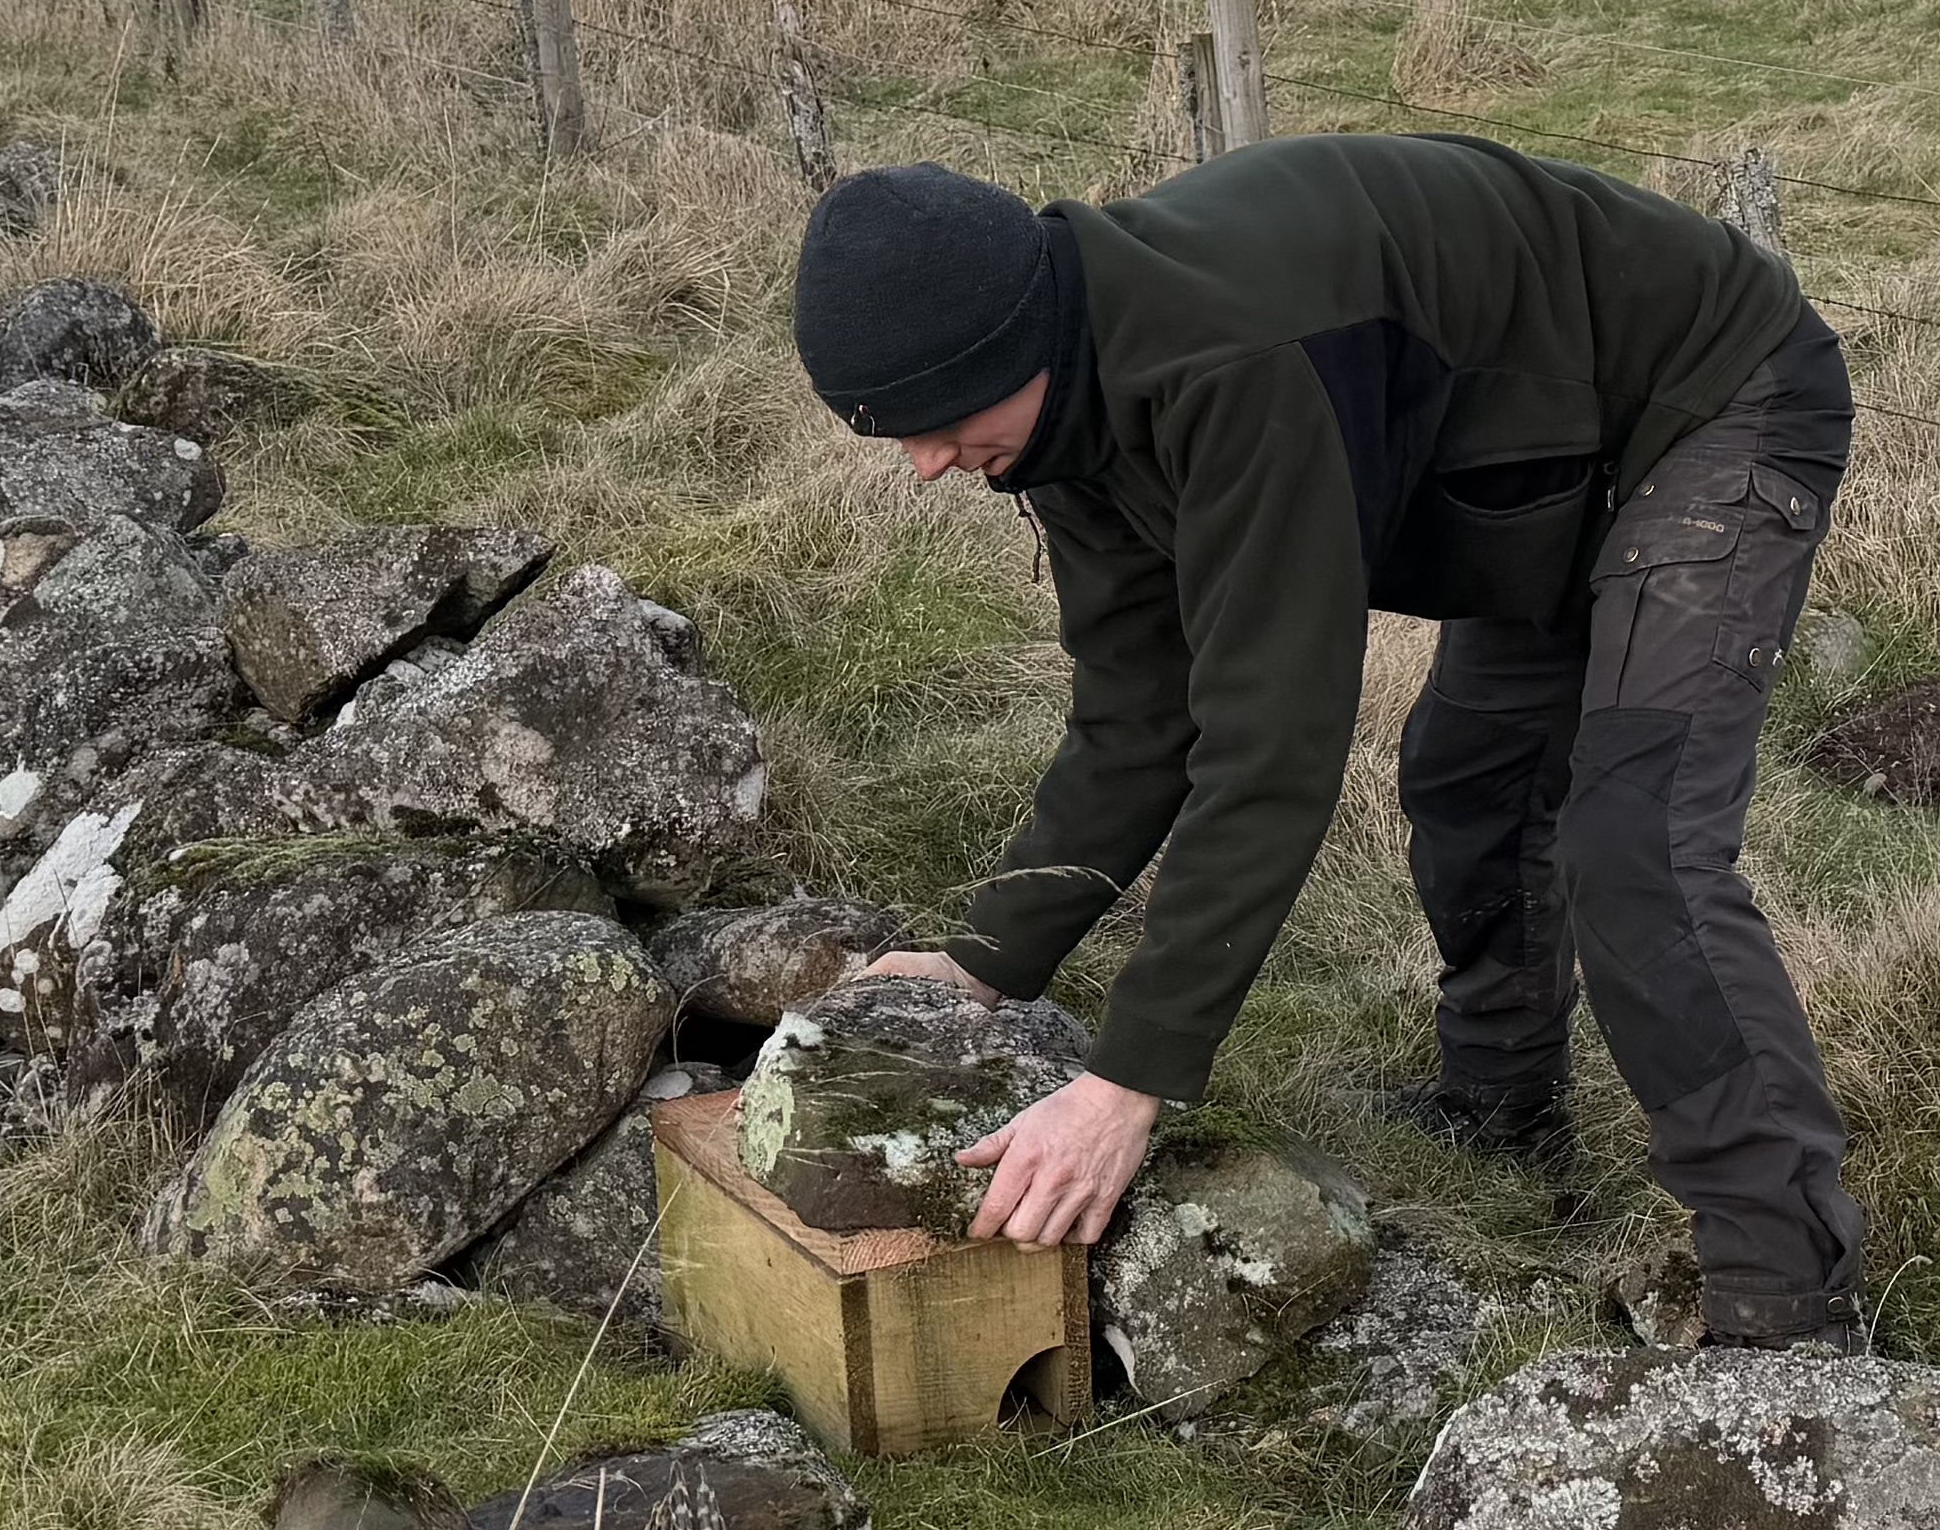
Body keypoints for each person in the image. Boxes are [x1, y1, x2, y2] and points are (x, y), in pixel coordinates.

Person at [788, 132, 1873, 1349]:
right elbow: (1141, 717)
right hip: (1534, 467)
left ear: (1011, 345)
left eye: (936, 421)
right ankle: (1502, 1115)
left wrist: (1128, 1080)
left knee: (1638, 840)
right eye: (896, 437)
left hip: (1708, 398)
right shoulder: (1064, 421)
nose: (928, 465)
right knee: (1474, 779)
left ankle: (1786, 1291)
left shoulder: (1231, 357)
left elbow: (1270, 742)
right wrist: (984, 960)